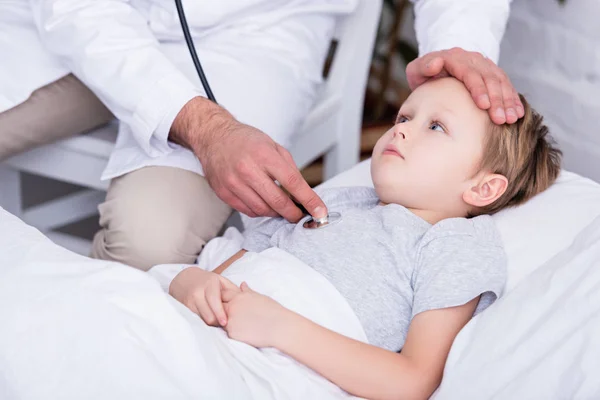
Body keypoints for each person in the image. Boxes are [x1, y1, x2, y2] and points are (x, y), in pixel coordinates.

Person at [0, 0, 516, 271]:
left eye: (432, 127)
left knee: (146, 244)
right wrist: (202, 126)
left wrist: (457, 52)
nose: (401, 130)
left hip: (258, 35)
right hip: (81, 20)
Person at [168, 77, 561, 399]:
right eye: (404, 116)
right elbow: (220, 271)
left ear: (483, 189)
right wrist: (190, 281)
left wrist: (279, 326)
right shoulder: (337, 201)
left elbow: (412, 380)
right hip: (197, 327)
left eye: (435, 126)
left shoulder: (454, 242)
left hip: (266, 368)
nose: (402, 129)